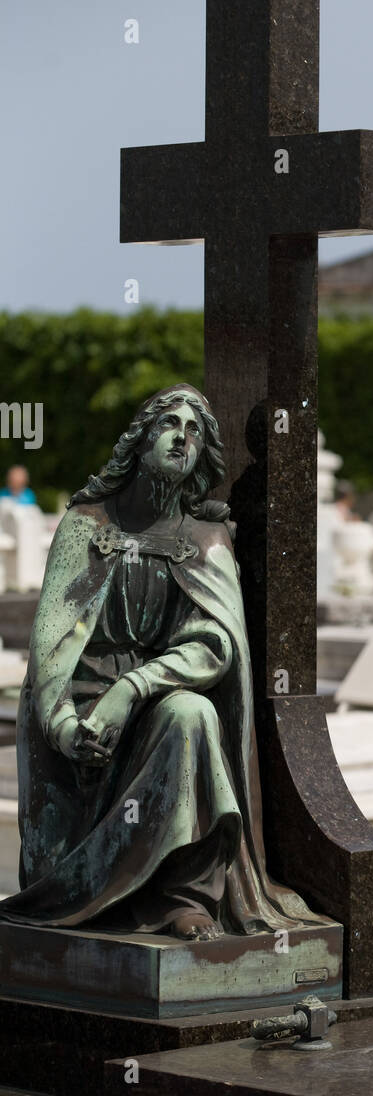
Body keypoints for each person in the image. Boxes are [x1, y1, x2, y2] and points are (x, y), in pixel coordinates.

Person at [0, 384, 323, 941]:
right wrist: (63, 724)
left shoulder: (206, 538)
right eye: (169, 424)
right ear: (141, 438)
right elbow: (51, 642)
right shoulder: (87, 524)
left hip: (150, 702)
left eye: (195, 431)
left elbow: (214, 642)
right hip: (80, 708)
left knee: (192, 715)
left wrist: (135, 686)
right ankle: (85, 885)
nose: (182, 437)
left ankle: (183, 898)